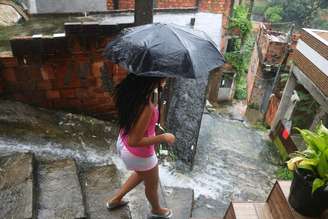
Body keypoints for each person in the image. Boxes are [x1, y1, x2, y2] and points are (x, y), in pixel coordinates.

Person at [106, 74, 175, 218]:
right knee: (151, 186)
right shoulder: (146, 107)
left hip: (122, 142)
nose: (165, 81)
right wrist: (162, 137)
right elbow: (134, 140)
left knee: (141, 173)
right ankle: (156, 210)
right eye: (163, 77)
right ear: (152, 79)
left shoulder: (132, 93)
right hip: (139, 154)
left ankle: (115, 200)